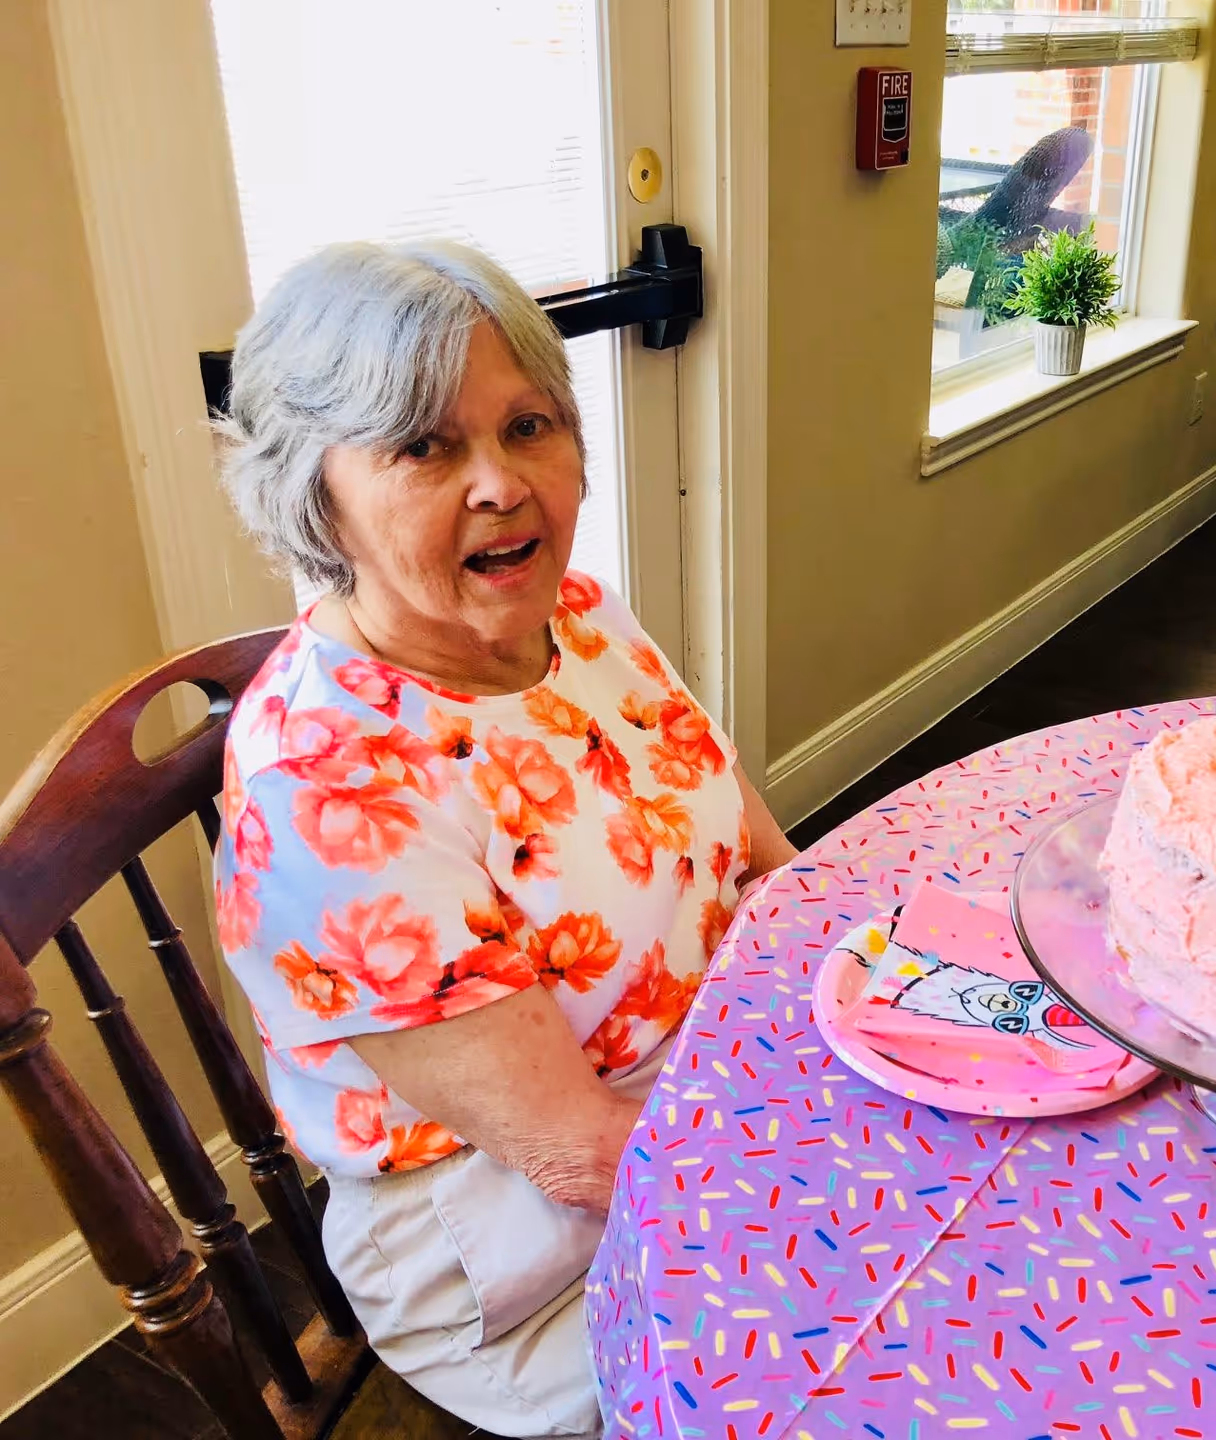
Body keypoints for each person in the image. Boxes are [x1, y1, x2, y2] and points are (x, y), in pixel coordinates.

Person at [212, 240, 798, 1436]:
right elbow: (584, 1157)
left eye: (529, 425)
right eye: (425, 445)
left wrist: (876, 1029)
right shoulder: (323, 792)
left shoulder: (577, 617)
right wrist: (836, 1170)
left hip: (716, 1094)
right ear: (311, 490)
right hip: (528, 1249)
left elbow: (768, 869)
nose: (500, 485)